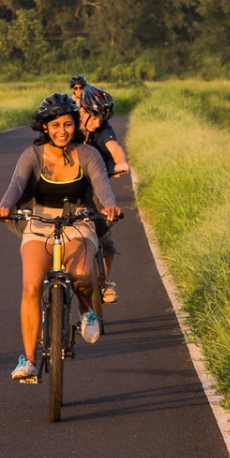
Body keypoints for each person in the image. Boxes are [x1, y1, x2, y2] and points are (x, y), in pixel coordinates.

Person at [0, 92, 122, 383]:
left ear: (75, 124)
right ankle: (28, 359)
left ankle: (86, 310)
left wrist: (110, 205)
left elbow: (102, 187)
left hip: (78, 220)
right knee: (31, 286)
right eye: (55, 125)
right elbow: (16, 185)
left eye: (67, 124)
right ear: (45, 128)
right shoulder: (33, 155)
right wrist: (4, 206)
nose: (62, 131)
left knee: (83, 274)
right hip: (40, 223)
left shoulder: (88, 154)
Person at [78, 86, 128, 306]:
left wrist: (121, 162)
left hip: (97, 186)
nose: (98, 123)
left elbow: (113, 146)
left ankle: (105, 281)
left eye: (102, 119)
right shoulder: (68, 127)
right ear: (82, 109)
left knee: (105, 236)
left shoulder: (103, 129)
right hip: (70, 185)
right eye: (94, 118)